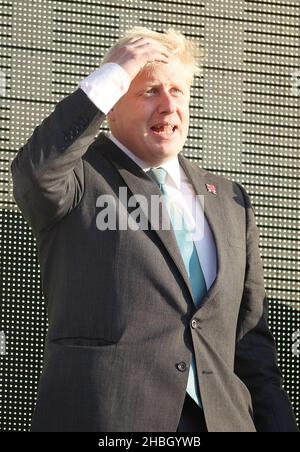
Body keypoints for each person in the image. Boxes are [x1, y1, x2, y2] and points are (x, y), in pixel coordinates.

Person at [11, 27, 298, 432]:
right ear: (112, 107)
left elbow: (250, 345)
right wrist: (112, 73)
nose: (168, 106)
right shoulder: (79, 178)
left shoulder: (230, 200)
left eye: (177, 92)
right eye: (149, 92)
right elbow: (34, 173)